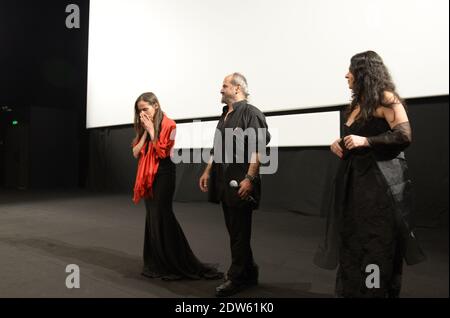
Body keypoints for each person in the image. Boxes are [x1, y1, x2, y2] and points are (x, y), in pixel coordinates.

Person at [314, 51, 426, 297]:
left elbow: (404, 135)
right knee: (352, 239)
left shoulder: (385, 98)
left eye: (350, 70)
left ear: (364, 72)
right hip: (354, 184)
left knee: (376, 242)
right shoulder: (357, 104)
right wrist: (340, 143)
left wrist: (366, 140)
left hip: (378, 187)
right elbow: (356, 138)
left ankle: (374, 292)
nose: (346, 75)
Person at [132, 92, 223, 281]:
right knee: (152, 217)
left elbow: (163, 152)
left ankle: (177, 261)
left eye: (145, 109)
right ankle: (156, 261)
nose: (143, 114)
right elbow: (135, 152)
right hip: (147, 176)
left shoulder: (170, 124)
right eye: (139, 110)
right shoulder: (142, 125)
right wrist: (144, 133)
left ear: (155, 105)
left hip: (164, 174)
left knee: (163, 216)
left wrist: (151, 131)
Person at [199, 73, 271, 297]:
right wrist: (208, 170)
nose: (221, 89)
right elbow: (217, 147)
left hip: (241, 182)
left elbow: (258, 149)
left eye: (224, 85)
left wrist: (250, 178)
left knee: (239, 233)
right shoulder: (225, 115)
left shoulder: (252, 113)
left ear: (238, 88)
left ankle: (237, 278)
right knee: (234, 231)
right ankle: (249, 271)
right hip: (223, 182)